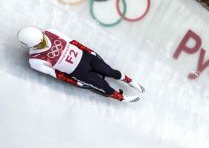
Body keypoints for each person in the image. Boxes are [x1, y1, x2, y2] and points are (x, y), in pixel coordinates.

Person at [17, 26, 145, 102]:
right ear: (31, 46)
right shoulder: (35, 60)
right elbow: (57, 75)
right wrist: (75, 82)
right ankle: (121, 98)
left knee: (109, 71)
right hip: (79, 72)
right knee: (103, 85)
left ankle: (130, 81)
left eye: (43, 39)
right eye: (40, 44)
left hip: (86, 58)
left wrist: (91, 52)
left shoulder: (51, 32)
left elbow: (73, 42)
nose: (44, 43)